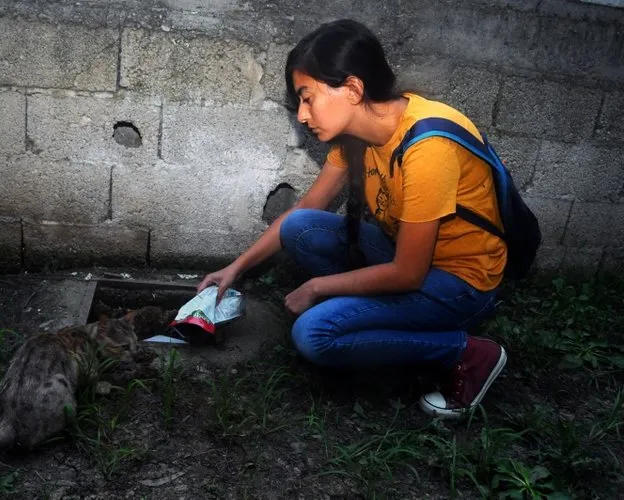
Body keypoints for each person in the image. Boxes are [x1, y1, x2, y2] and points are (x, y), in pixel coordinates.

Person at [197, 19, 507, 419]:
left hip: (460, 285)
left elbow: (408, 274)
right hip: (410, 260)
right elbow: (304, 210)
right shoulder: (358, 136)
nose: (303, 115)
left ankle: (466, 352)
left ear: (354, 88)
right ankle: (370, 322)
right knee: (300, 227)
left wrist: (318, 288)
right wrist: (235, 269)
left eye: (307, 97)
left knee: (314, 334)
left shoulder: (428, 147)